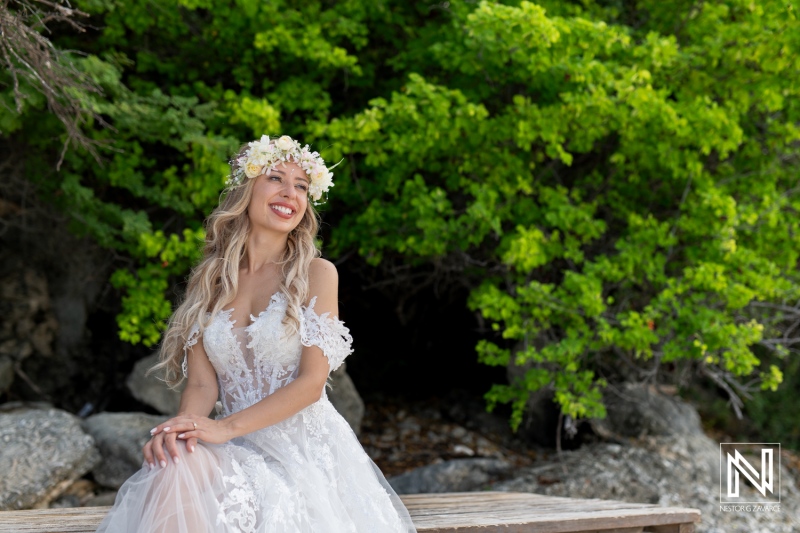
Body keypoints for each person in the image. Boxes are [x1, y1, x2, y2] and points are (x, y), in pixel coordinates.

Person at [95, 135, 417, 532]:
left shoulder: (316, 274)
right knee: (176, 460)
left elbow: (312, 383)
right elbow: (200, 385)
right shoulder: (210, 282)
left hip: (304, 456)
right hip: (237, 449)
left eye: (301, 186)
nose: (290, 193)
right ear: (245, 189)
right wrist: (184, 430)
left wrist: (221, 428)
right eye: (276, 178)